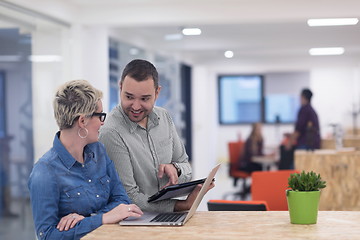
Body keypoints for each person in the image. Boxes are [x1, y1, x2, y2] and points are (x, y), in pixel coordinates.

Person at [28, 80, 143, 240]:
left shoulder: (99, 151)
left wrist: (89, 220)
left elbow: (121, 199)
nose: (103, 122)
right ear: (82, 121)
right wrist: (102, 218)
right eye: (100, 115)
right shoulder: (45, 172)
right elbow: (47, 236)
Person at [99, 59, 211, 213]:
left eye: (144, 99)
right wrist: (181, 206)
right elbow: (128, 197)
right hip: (136, 221)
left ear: (157, 92)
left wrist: (176, 169)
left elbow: (186, 166)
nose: (136, 106)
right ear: (120, 87)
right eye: (129, 97)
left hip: (167, 218)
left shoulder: (164, 117)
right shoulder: (111, 133)